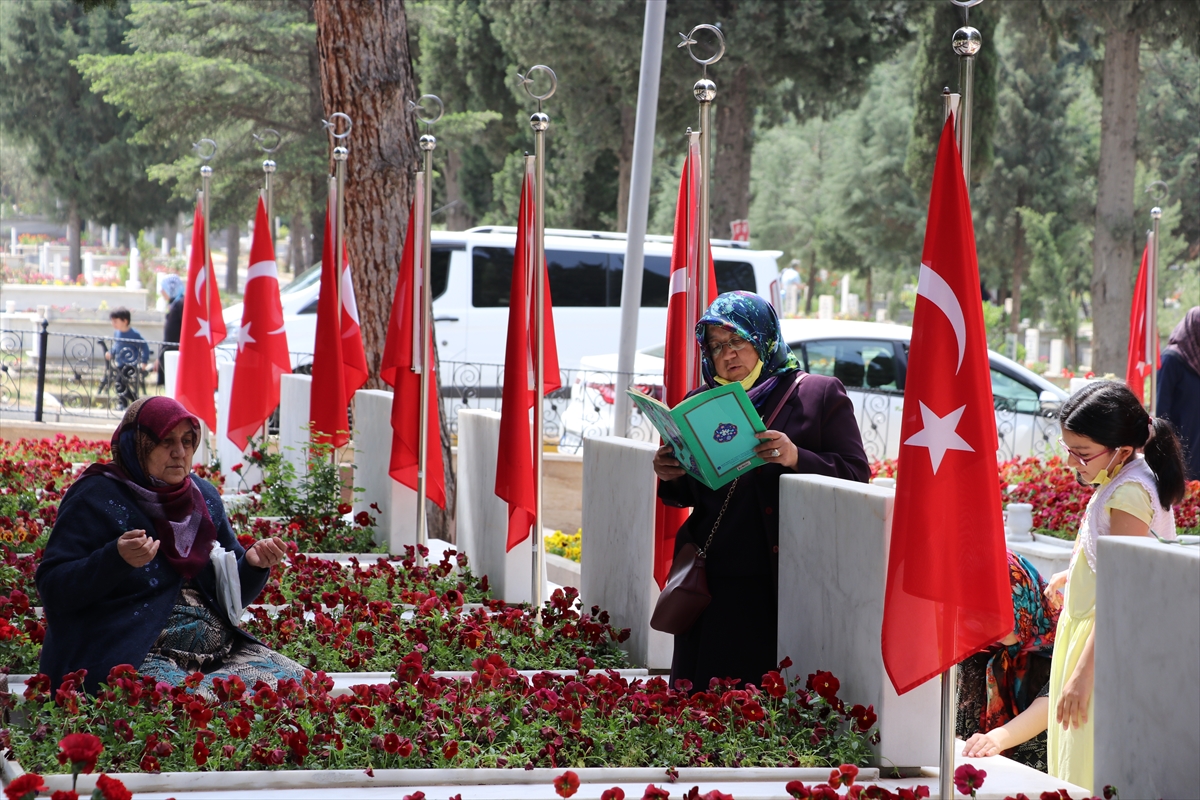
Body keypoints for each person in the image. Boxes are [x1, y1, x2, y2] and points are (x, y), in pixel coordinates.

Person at [652, 291, 869, 693]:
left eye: (738, 341)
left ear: (764, 337)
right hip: (711, 579)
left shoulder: (816, 395)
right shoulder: (700, 402)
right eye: (716, 346)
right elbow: (686, 496)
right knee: (700, 700)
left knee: (755, 702)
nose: (727, 355)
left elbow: (856, 474)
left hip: (775, 581)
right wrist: (670, 472)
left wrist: (795, 456)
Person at [37, 396, 304, 696]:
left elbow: (231, 593)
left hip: (219, 656)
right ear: (138, 444)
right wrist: (114, 559)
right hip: (132, 652)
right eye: (167, 441)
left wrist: (253, 565)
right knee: (194, 705)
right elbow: (53, 587)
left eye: (188, 442)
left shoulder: (202, 497)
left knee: (297, 685)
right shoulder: (95, 496)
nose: (180, 453)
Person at [1041, 381, 1186, 792]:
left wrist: (1083, 674)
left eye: (1082, 453)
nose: (1072, 462)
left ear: (1122, 449)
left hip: (1099, 648)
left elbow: (1126, 593)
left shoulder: (1128, 493)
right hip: (1090, 637)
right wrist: (1077, 573)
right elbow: (1114, 563)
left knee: (1086, 770)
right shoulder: (1123, 478)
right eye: (1068, 449)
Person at [959, 551, 1059, 770]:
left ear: (1024, 595)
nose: (992, 623)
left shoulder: (1061, 646)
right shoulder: (983, 650)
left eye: (1003, 608)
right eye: (985, 610)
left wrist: (996, 739)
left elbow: (1051, 701)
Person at [1157, 306, 1200, 480]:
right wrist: (1168, 442)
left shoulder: (1197, 359)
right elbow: (1161, 409)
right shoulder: (1171, 360)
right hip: (1181, 445)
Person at [106, 307, 150, 409]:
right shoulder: (117, 332)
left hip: (131, 364)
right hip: (120, 363)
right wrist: (111, 352)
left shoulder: (134, 334)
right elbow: (117, 346)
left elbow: (144, 346)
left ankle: (133, 401)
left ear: (125, 321)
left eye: (116, 321)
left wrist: (144, 361)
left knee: (120, 383)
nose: (113, 324)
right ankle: (126, 403)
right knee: (119, 384)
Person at [156, 274, 185, 387]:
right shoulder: (174, 304)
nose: (161, 291)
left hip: (176, 351)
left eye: (163, 288)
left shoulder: (181, 304)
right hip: (170, 349)